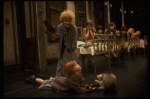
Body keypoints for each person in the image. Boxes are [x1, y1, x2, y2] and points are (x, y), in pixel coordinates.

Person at [25, 60, 95, 93]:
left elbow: (81, 82)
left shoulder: (78, 73)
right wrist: (86, 90)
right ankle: (34, 78)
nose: (78, 65)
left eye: (77, 64)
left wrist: (86, 86)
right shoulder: (72, 78)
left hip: (61, 80)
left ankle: (41, 76)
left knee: (51, 79)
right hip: (59, 83)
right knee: (45, 82)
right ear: (72, 69)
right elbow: (77, 89)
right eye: (76, 65)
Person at [53, 10, 79, 77]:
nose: (67, 22)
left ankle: (70, 78)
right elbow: (58, 39)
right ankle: (60, 79)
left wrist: (74, 49)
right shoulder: (59, 27)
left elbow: (74, 40)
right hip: (62, 49)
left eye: (69, 21)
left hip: (70, 49)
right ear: (62, 20)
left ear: (71, 21)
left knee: (71, 65)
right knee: (61, 64)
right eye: (65, 21)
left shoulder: (74, 28)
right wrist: (56, 37)